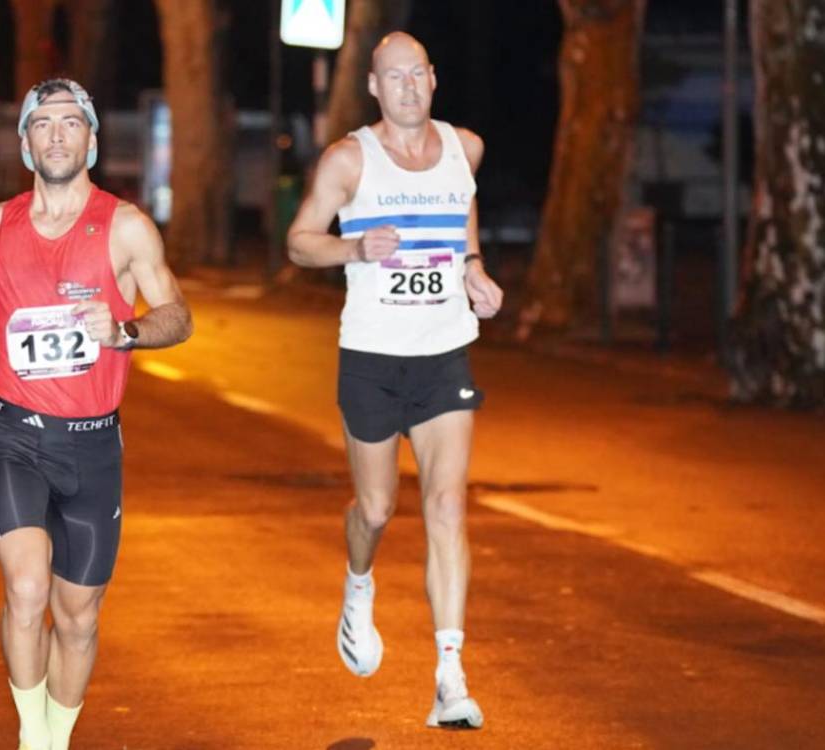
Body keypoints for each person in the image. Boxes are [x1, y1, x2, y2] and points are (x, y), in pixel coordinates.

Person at [0, 78, 192, 750]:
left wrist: (124, 331)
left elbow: (178, 316)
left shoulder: (125, 227)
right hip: (14, 433)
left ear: (92, 141)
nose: (56, 135)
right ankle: (31, 740)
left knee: (77, 618)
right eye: (42, 124)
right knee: (26, 588)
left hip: (94, 446)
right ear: (24, 142)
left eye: (71, 123)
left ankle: (57, 737)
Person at [286, 32, 504, 730]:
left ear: (432, 80)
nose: (407, 87)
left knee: (446, 507)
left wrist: (472, 268)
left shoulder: (464, 147)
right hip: (373, 359)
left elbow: (462, 207)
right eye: (393, 77)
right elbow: (298, 240)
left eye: (417, 74)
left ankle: (449, 678)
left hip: (443, 354)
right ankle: (357, 585)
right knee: (376, 510)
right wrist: (352, 246)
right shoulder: (349, 160)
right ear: (373, 87)